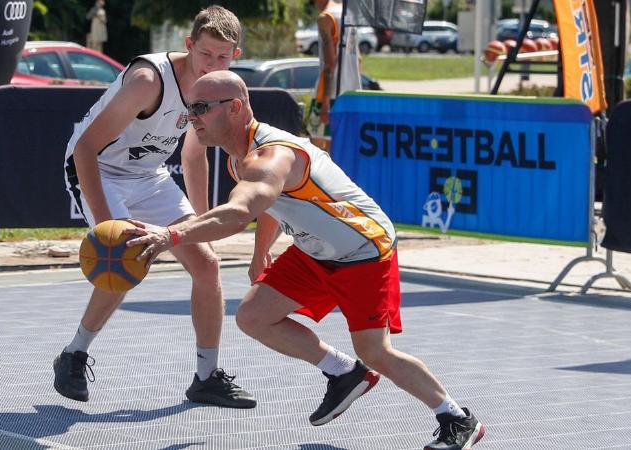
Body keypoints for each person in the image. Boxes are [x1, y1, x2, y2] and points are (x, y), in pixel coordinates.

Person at [126, 71, 486, 450]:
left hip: (363, 250)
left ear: (234, 108)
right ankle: (344, 373)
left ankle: (457, 418)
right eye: (188, 108)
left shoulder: (272, 155)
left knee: (375, 350)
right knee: (253, 316)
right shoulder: (239, 158)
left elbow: (238, 213)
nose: (190, 117)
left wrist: (171, 234)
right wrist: (260, 251)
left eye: (199, 108)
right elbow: (270, 206)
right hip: (316, 250)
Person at [57, 6, 256, 409]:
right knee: (126, 256)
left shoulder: (216, 88)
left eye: (223, 57)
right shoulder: (149, 81)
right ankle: (74, 354)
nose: (212, 65)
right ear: (189, 45)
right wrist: (109, 228)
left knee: (207, 265)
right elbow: (85, 149)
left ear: (235, 55)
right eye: (206, 55)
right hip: (99, 168)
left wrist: (201, 225)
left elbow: (193, 156)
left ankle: (206, 377)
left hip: (150, 176)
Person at [306, 0, 362, 152]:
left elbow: (330, 63)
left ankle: (321, 176)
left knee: (315, 146)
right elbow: (358, 58)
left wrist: (325, 103)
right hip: (352, 92)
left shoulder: (325, 18)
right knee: (342, 145)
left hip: (329, 94)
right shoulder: (349, 14)